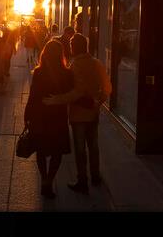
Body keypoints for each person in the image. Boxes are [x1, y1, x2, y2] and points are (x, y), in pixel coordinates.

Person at [43, 33, 112, 194]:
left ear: (76, 47)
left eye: (72, 45)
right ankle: (95, 176)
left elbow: (76, 93)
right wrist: (98, 102)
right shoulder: (97, 63)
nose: (70, 48)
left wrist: (57, 100)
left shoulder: (74, 66)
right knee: (93, 146)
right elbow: (108, 87)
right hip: (93, 114)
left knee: (80, 149)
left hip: (78, 115)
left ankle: (82, 180)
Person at [24, 39, 74, 199]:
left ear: (45, 54)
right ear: (61, 55)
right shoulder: (67, 73)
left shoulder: (39, 72)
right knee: (56, 151)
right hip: (58, 117)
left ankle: (44, 179)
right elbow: (70, 94)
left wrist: (27, 115)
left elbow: (33, 96)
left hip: (40, 116)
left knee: (41, 149)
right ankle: (49, 180)